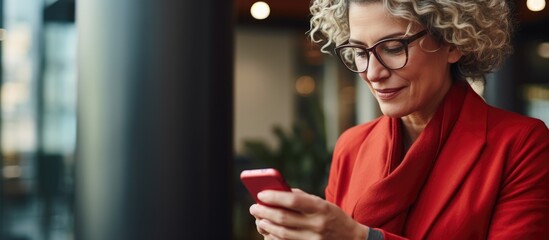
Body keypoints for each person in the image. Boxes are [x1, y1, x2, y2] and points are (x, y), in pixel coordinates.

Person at [248, 0, 549, 239]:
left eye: (393, 48)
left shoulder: (521, 145)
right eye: (359, 52)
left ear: (454, 42)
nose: (372, 73)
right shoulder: (351, 147)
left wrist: (360, 239)